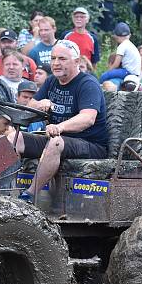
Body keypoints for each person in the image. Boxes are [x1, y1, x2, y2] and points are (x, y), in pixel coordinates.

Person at [20, 40, 108, 198]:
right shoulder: (51, 81)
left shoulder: (88, 84)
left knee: (55, 141)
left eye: (62, 59)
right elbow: (31, 104)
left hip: (90, 144)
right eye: (53, 58)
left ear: (77, 61)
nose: (56, 63)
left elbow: (88, 118)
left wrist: (59, 127)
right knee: (15, 138)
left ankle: (29, 196)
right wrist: (41, 103)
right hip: (56, 138)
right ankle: (1, 190)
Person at [99, 23, 141, 89]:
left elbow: (116, 63)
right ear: (129, 35)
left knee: (104, 76)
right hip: (135, 73)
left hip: (127, 71)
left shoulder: (122, 46)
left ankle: (98, 85)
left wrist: (109, 71)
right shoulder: (131, 45)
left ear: (116, 36)